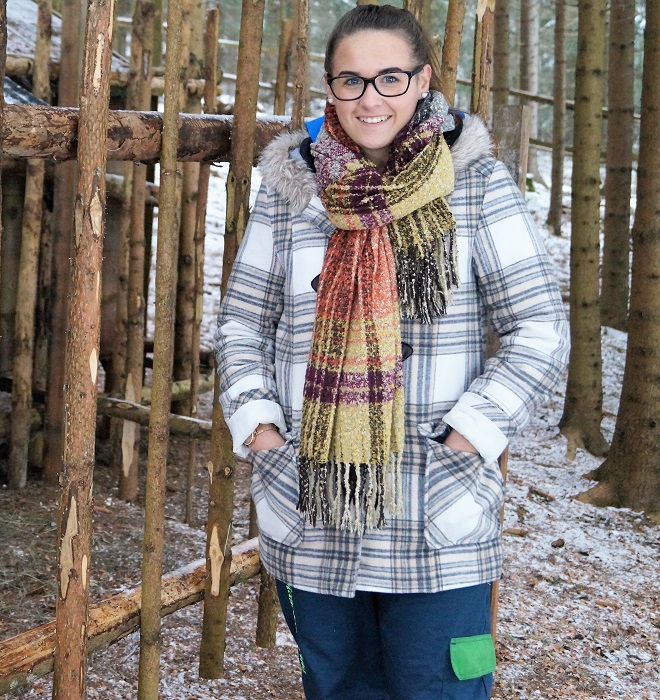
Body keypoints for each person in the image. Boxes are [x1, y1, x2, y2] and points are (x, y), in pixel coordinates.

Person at [213, 5, 570, 699]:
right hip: (312, 504)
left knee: (440, 689)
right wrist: (261, 429)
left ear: (423, 80)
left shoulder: (476, 184)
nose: (370, 98)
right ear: (330, 86)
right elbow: (241, 324)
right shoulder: (291, 192)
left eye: (390, 78)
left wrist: (471, 433)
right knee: (338, 686)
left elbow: (539, 326)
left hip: (436, 507)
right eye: (351, 80)